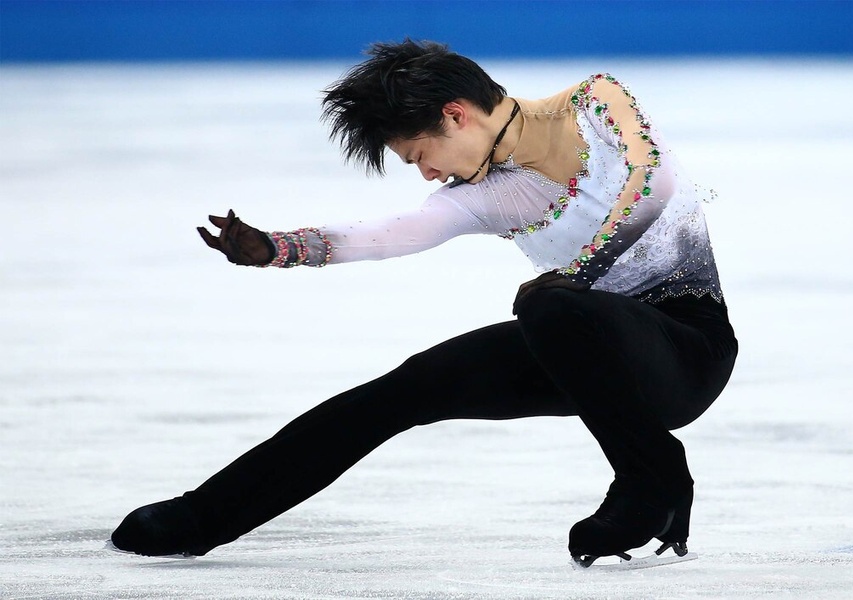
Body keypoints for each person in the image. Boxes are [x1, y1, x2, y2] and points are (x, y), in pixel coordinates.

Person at [110, 39, 738, 566]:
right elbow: (386, 236)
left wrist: (576, 274)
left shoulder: (597, 101)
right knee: (403, 390)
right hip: (581, 346)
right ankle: (201, 518)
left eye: (418, 156)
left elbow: (650, 182)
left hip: (687, 351)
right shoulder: (485, 194)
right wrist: (277, 247)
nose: (427, 175)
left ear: (457, 114)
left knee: (549, 306)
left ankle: (648, 480)